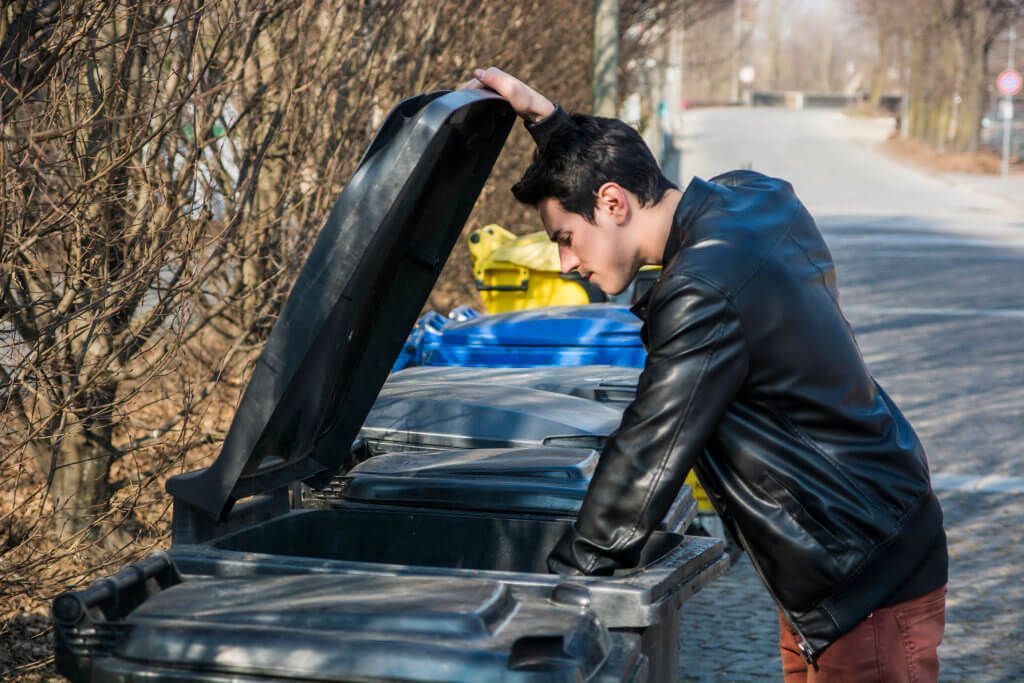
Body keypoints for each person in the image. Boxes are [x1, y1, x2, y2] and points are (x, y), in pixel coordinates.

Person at [460, 67, 948, 682]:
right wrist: (553, 125)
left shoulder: (701, 290)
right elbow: (604, 177)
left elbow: (649, 449)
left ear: (612, 203)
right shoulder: (752, 198)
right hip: (856, 544)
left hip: (861, 571)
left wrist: (561, 590)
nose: (565, 263)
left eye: (566, 237)